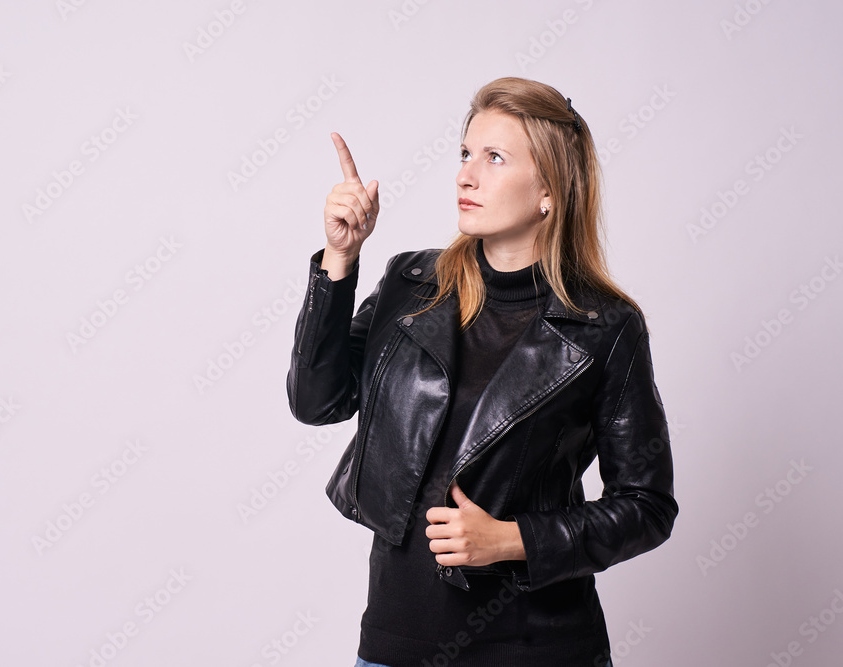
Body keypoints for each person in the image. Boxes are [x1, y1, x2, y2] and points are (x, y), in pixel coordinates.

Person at [285, 76, 678, 667]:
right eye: (466, 154)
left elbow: (647, 506)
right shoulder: (410, 283)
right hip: (394, 644)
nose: (466, 175)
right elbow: (317, 402)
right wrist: (340, 260)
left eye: (494, 158)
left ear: (550, 188)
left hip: (536, 647)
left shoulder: (605, 327)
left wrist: (515, 539)